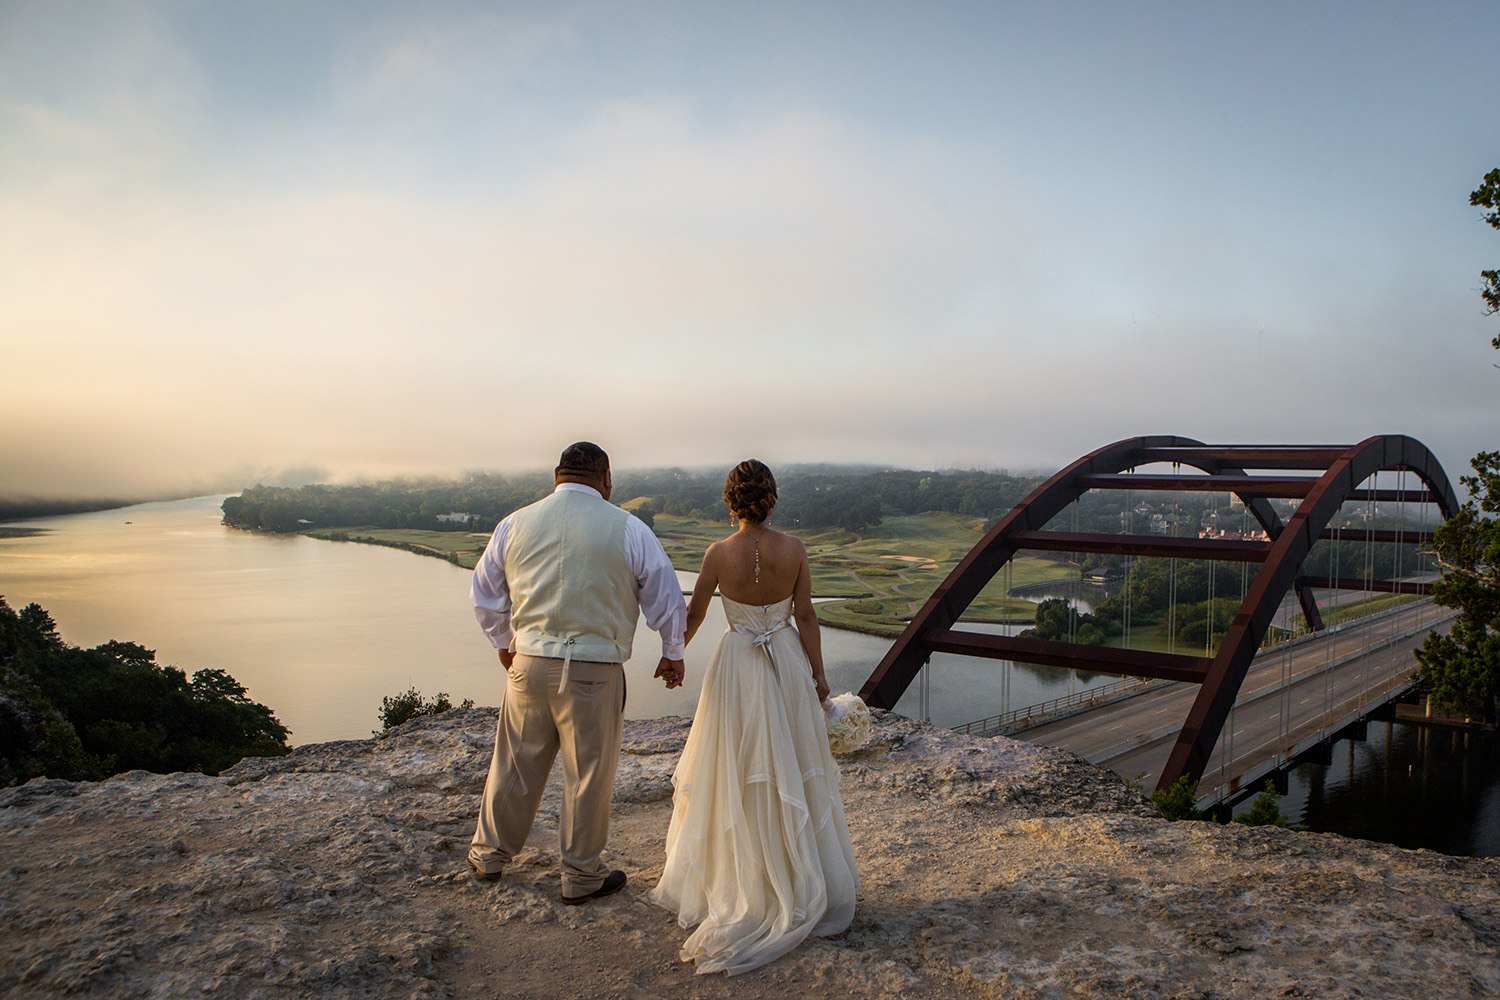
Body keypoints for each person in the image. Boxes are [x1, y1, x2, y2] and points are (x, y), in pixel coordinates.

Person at [651, 459, 858, 974]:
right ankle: (801, 878)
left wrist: (673, 654)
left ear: (730, 503)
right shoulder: (795, 550)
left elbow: (694, 613)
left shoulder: (718, 553)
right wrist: (820, 677)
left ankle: (743, 882)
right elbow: (806, 615)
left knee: (735, 769)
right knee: (791, 761)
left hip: (736, 665)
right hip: (785, 661)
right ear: (772, 499)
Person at [467, 441, 687, 904]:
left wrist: (505, 644)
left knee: (514, 763)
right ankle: (581, 874)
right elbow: (664, 594)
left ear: (556, 475)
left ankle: (489, 854)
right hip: (594, 667)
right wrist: (672, 651)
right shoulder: (629, 528)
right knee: (588, 773)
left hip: (528, 664)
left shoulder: (514, 523)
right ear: (606, 478)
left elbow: (485, 592)